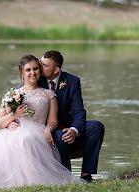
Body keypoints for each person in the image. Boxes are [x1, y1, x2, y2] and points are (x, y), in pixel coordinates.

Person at [0, 55, 81, 188]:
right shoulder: (12, 94)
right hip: (12, 132)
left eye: (36, 69)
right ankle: (16, 183)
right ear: (21, 72)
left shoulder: (48, 94)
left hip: (37, 132)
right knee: (14, 141)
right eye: (28, 70)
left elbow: (53, 121)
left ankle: (32, 183)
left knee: (26, 139)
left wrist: (48, 128)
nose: (33, 73)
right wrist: (13, 116)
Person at [40, 50, 105, 182]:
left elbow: (79, 110)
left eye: (45, 65)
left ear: (56, 70)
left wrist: (74, 130)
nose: (40, 68)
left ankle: (86, 175)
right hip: (47, 129)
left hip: (67, 126)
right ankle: (64, 175)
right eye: (41, 63)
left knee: (96, 127)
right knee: (59, 136)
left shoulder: (72, 81)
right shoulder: (36, 78)